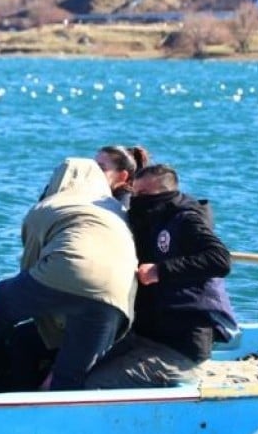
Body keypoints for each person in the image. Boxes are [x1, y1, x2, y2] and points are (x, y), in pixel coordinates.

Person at [0, 158, 138, 392]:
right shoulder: (118, 210)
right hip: (117, 296)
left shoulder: (50, 205)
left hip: (65, 273)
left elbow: (30, 265)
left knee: (1, 299)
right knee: (69, 380)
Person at [86, 164, 237, 387]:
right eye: (135, 194)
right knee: (77, 369)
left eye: (144, 194)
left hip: (180, 346)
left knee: (96, 384)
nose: (137, 200)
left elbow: (220, 259)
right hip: (146, 335)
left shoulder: (186, 219)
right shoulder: (150, 220)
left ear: (165, 193)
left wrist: (160, 271)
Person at [95, 145, 151, 210]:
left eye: (101, 168)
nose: (93, 170)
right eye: (93, 165)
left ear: (122, 176)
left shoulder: (123, 205)